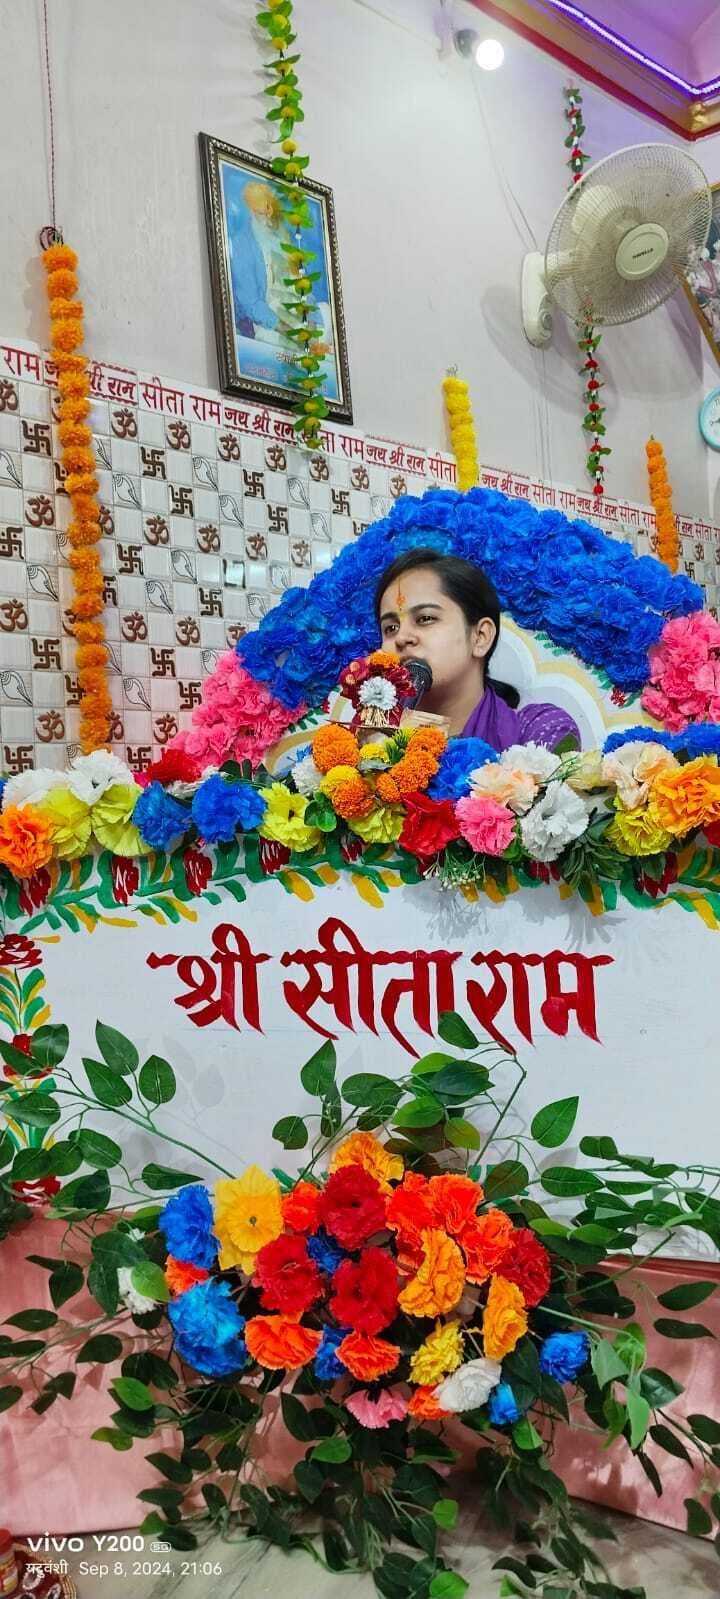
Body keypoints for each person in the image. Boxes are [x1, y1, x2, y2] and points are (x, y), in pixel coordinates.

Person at [375, 547, 579, 752]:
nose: (401, 638)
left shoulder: (536, 731)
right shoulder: (370, 735)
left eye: (425, 618)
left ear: (481, 637)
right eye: (390, 628)